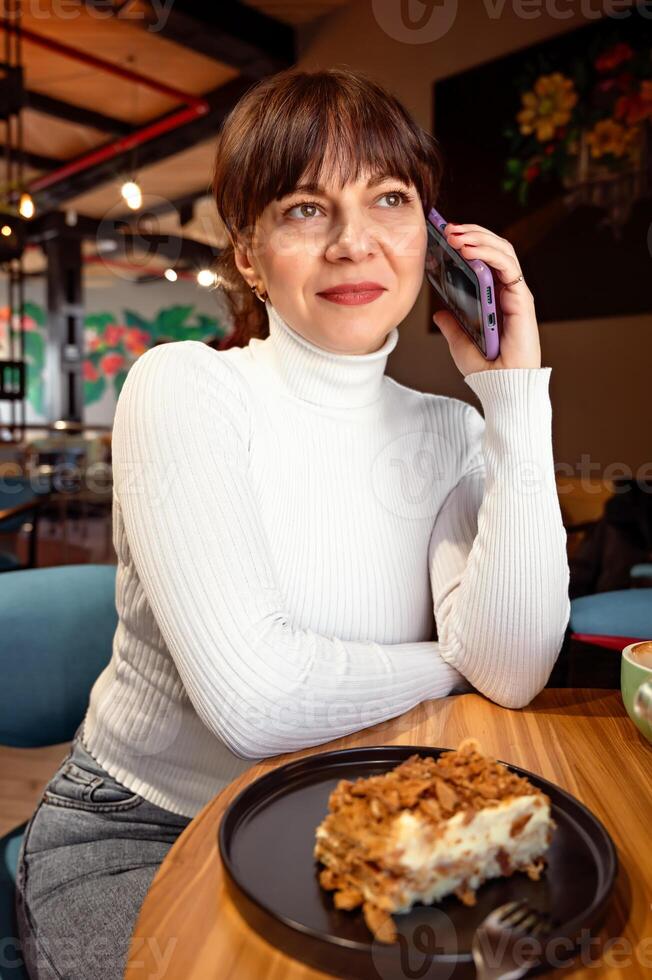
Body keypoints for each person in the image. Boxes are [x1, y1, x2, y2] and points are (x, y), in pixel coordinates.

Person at [15, 66, 570, 979]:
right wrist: (447, 662)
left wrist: (513, 398)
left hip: (354, 815)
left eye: (389, 199)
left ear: (431, 239)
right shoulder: (185, 386)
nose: (356, 244)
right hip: (146, 828)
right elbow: (256, 700)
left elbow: (510, 671)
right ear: (247, 255)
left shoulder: (452, 430)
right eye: (306, 210)